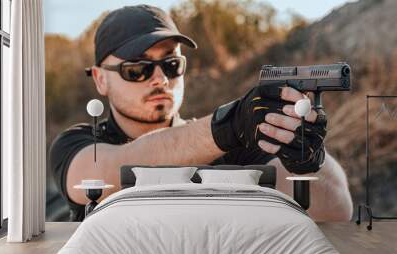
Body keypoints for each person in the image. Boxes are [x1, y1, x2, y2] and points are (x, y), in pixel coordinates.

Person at [49, 5, 353, 222]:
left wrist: (303, 157)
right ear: (101, 79)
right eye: (137, 69)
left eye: (171, 65)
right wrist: (228, 124)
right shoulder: (78, 143)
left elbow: (336, 209)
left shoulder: (233, 141)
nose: (160, 79)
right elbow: (105, 172)